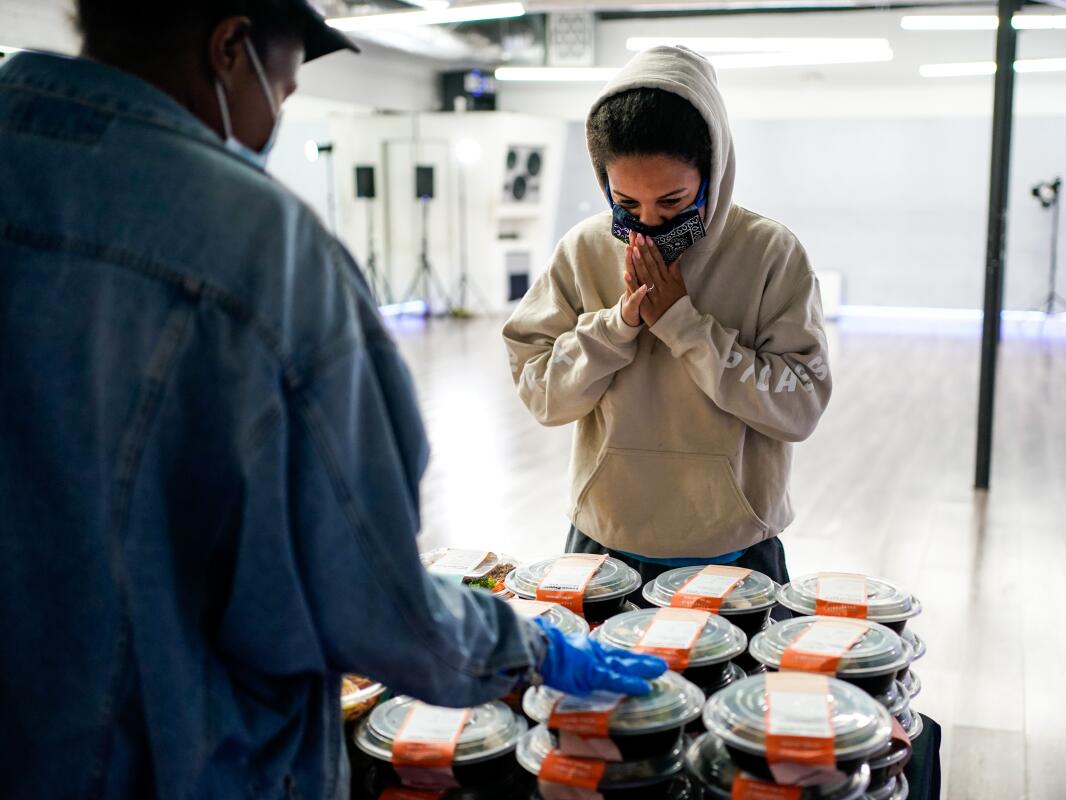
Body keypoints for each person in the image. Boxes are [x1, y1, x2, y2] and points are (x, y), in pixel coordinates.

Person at [0, 2, 665, 798]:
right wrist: (524, 648)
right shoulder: (264, 249)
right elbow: (366, 596)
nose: (270, 123)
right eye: (280, 94)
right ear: (228, 48)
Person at [503, 46, 833, 596]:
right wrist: (614, 327)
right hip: (604, 539)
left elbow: (800, 408)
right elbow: (542, 395)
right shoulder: (584, 249)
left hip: (733, 546)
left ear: (715, 171)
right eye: (626, 204)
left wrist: (684, 324)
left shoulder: (769, 253)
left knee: (733, 687)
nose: (649, 225)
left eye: (674, 202)